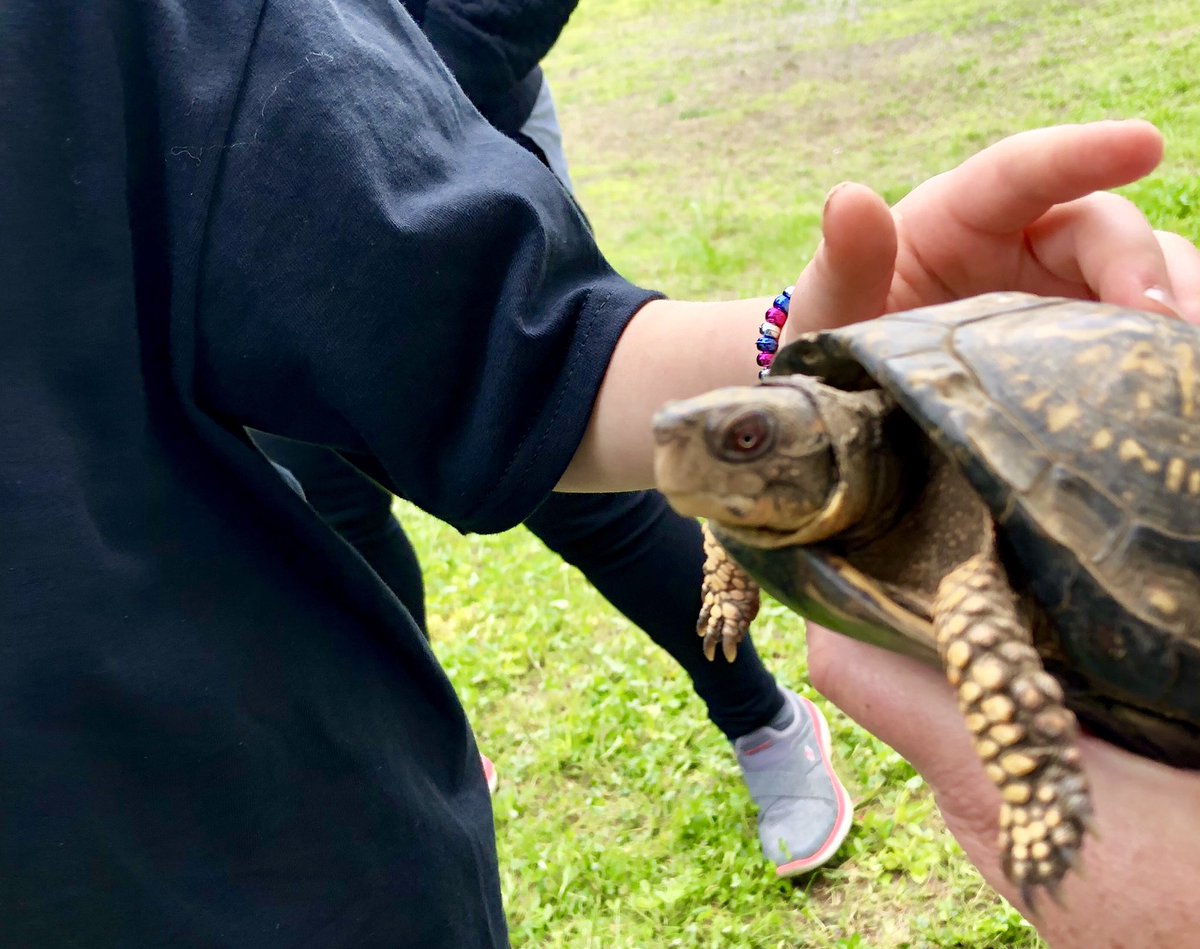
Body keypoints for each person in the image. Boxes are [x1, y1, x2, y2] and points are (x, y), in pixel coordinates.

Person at [1, 1, 1193, 945]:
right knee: (354, 502)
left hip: (269, 869)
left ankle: (756, 715)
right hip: (152, 836)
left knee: (630, 515)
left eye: (747, 444)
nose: (722, 461)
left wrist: (423, 80)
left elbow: (520, 352)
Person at [251, 0, 855, 877]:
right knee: (331, 497)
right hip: (262, 209)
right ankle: (434, 742)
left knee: (570, 474)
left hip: (452, 134)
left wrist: (384, 103)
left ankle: (762, 718)